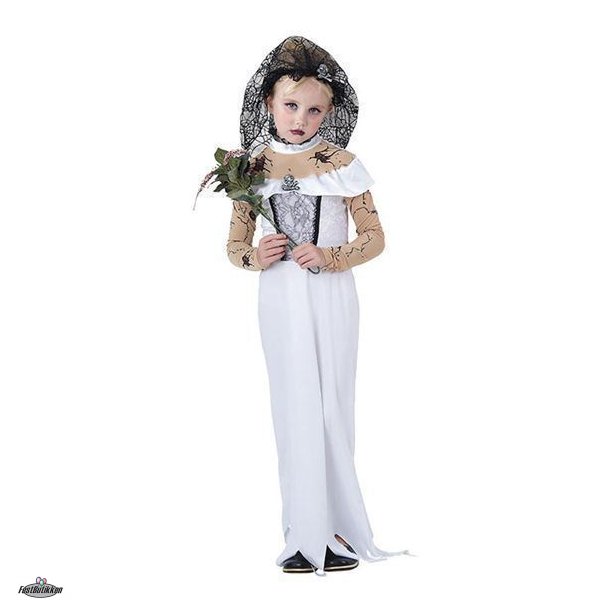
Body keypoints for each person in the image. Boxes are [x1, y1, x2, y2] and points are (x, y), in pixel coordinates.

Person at [225, 35, 412, 576]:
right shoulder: (251, 166)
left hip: (331, 296)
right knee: (293, 405)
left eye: (314, 110)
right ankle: (302, 531)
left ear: (329, 112)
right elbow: (235, 246)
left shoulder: (342, 165)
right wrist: (256, 256)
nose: (300, 119)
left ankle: (336, 527)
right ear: (269, 104)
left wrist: (331, 256)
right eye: (290, 105)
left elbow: (374, 238)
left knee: (331, 403)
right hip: (280, 298)